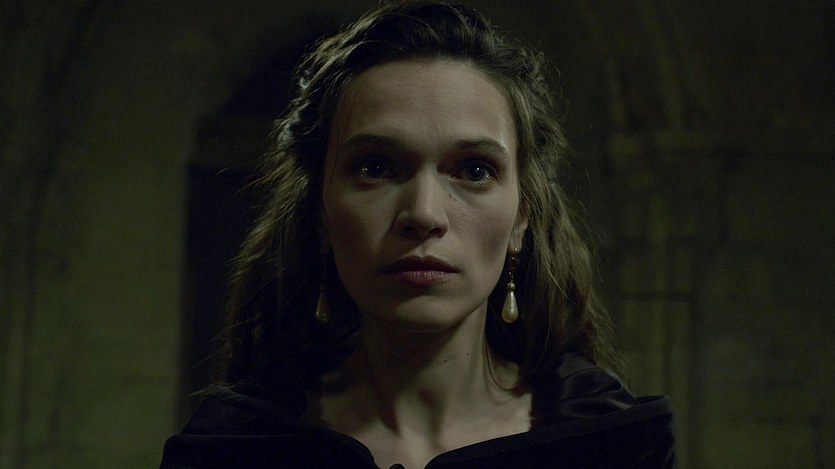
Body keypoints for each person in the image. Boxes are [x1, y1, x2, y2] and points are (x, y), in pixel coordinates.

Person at [160, 1, 676, 467]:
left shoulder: (610, 448)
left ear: (522, 217)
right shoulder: (232, 451)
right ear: (320, 212)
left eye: (474, 170)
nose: (424, 214)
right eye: (375, 167)